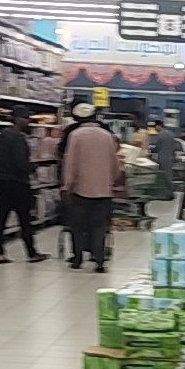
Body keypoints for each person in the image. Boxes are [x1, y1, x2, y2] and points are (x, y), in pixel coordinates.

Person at [62, 102, 120, 271]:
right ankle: (100, 261)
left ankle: (77, 259)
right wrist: (111, 180)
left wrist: (67, 185)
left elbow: (71, 163)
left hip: (80, 190)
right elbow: (115, 163)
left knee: (78, 226)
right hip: (103, 190)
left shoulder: (76, 135)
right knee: (99, 227)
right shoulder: (107, 135)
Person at [0, 112, 47, 263]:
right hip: (18, 182)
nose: (28, 121)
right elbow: (21, 162)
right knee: (24, 218)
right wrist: (33, 168)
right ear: (17, 119)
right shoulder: (19, 138)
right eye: (26, 118)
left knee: (1, 217)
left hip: (2, 181)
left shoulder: (1, 136)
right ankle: (31, 253)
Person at [152, 118, 179, 201]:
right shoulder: (172, 134)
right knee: (169, 175)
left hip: (163, 157)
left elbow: (157, 147)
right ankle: (169, 193)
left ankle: (168, 194)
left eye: (155, 127)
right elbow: (175, 147)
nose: (155, 129)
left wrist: (152, 151)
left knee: (164, 176)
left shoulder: (160, 135)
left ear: (158, 126)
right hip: (170, 157)